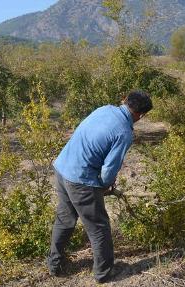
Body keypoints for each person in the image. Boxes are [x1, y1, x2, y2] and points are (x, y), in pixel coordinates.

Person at [47, 90, 153, 283]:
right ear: (141, 115)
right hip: (80, 179)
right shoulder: (124, 132)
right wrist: (104, 185)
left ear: (124, 101)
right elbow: (108, 171)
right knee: (99, 227)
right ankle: (104, 273)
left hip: (62, 168)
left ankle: (55, 265)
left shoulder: (104, 109)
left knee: (64, 219)